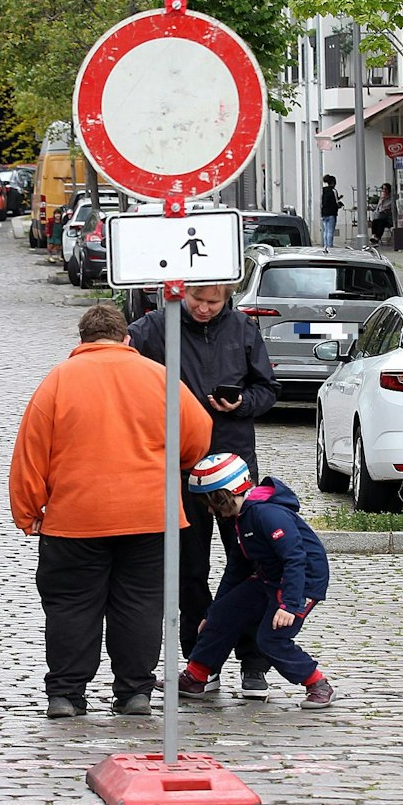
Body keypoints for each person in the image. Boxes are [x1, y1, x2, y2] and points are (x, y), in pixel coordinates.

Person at [8, 304, 213, 719]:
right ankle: (135, 691)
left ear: (81, 340)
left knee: (71, 606)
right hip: (150, 516)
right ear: (127, 338)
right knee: (141, 603)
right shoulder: (159, 377)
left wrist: (28, 511)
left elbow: (31, 451)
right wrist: (172, 461)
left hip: (75, 518)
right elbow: (198, 434)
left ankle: (65, 695)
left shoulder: (58, 381)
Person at [128, 284, 279, 698]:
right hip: (181, 465)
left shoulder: (243, 329)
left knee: (251, 565)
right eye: (198, 300)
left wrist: (242, 402)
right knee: (189, 570)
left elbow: (268, 389)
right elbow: (120, 367)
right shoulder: (154, 328)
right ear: (183, 293)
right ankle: (201, 665)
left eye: (215, 302)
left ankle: (254, 663)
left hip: (234, 469)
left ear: (228, 297)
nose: (205, 309)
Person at [172, 453, 337, 709]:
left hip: (300, 583)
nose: (209, 510)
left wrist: (289, 605)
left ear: (225, 495)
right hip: (270, 578)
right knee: (222, 614)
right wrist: (213, 612)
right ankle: (196, 676)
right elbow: (235, 570)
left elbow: (295, 558)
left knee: (271, 639)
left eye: (211, 502)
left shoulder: (267, 514)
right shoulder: (243, 518)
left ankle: (317, 683)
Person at [321, 174, 342, 248]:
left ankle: (325, 245)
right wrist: (339, 204)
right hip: (332, 213)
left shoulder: (323, 190)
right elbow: (336, 202)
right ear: (333, 183)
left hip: (324, 213)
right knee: (330, 231)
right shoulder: (334, 191)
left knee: (325, 231)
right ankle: (330, 246)